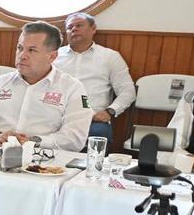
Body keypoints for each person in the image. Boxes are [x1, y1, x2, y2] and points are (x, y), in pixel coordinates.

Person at [0, 22, 93, 151]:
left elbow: (75, 138)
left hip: (44, 157)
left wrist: (33, 141)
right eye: (20, 48)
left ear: (52, 56)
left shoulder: (72, 88)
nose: (22, 56)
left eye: (32, 50)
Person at [54, 11, 135, 142]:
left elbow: (128, 91)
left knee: (99, 135)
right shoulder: (53, 56)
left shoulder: (110, 57)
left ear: (93, 29)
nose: (74, 29)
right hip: (55, 116)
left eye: (79, 25)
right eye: (69, 27)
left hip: (93, 119)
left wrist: (110, 111)